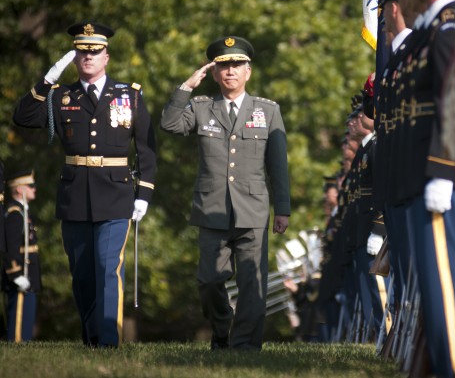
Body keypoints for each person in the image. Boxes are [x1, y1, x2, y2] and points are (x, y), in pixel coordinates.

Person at [13, 22, 157, 348]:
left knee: (108, 267)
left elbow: (147, 149)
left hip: (117, 193)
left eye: (94, 51)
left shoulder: (129, 95)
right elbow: (21, 117)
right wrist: (48, 78)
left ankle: (108, 342)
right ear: (75, 57)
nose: (88, 57)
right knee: (82, 274)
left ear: (107, 56)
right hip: (75, 194)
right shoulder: (61, 95)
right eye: (82, 52)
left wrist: (144, 194)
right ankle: (92, 340)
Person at [159, 36, 291, 351]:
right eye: (223, 66)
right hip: (212, 209)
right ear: (215, 73)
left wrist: (282, 208)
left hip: (252, 210)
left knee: (252, 284)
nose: (230, 71)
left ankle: (245, 347)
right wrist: (186, 87)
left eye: (236, 65)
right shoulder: (202, 108)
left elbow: (278, 165)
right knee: (208, 281)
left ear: (248, 71)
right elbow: (169, 123)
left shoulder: (267, 111)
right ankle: (221, 329)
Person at [393, 0, 455, 376]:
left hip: (437, 178)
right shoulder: (430, 32)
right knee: (434, 292)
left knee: (445, 289)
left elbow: (452, 101)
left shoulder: (448, 28)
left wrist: (442, 168)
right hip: (417, 178)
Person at [1, 170, 41, 342]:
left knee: (25, 325)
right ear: (19, 189)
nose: (34, 189)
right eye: (30, 186)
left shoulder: (23, 212)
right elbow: (9, 248)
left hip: (29, 277)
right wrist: (15, 274)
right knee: (18, 329)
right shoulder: (14, 214)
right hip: (20, 277)